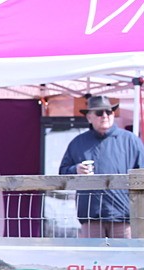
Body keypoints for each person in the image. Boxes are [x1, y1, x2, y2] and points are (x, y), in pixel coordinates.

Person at [59, 95, 144, 238]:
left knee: (123, 258)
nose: (104, 116)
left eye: (109, 112)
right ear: (89, 117)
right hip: (91, 217)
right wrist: (76, 170)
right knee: (92, 259)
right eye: (99, 113)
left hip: (123, 217)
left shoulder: (131, 141)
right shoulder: (78, 143)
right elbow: (62, 173)